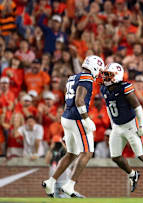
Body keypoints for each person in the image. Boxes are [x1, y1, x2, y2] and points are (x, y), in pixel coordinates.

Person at [100, 62, 143, 196]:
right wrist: (112, 124)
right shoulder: (104, 89)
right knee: (115, 157)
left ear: (117, 76)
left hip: (130, 126)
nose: (105, 78)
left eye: (108, 75)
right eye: (105, 75)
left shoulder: (125, 88)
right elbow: (109, 108)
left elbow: (138, 108)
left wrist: (141, 126)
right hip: (117, 126)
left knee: (141, 155)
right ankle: (132, 174)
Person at [42, 55, 104, 198]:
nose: (99, 73)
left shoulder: (73, 77)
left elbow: (67, 100)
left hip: (67, 117)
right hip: (77, 118)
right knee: (87, 152)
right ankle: (69, 185)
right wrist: (86, 119)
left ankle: (51, 181)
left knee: (72, 153)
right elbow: (79, 101)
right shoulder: (86, 78)